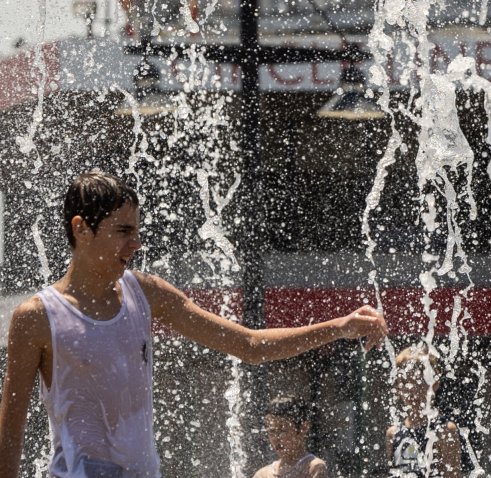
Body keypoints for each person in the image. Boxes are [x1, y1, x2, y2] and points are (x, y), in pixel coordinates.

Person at [0, 171, 387, 478]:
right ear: (81, 228)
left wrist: (338, 326)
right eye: (122, 232)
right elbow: (11, 430)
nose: (135, 244)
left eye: (137, 231)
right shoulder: (36, 318)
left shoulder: (146, 294)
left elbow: (249, 345)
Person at [386, 344, 460, 478]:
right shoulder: (393, 433)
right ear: (397, 387)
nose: (412, 390)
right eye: (405, 382)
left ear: (434, 383)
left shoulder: (444, 430)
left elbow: (452, 475)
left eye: (420, 381)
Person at [253, 396, 326, 478]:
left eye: (282, 430)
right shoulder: (262, 475)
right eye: (272, 431)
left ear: (303, 428)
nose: (276, 438)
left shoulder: (313, 467)